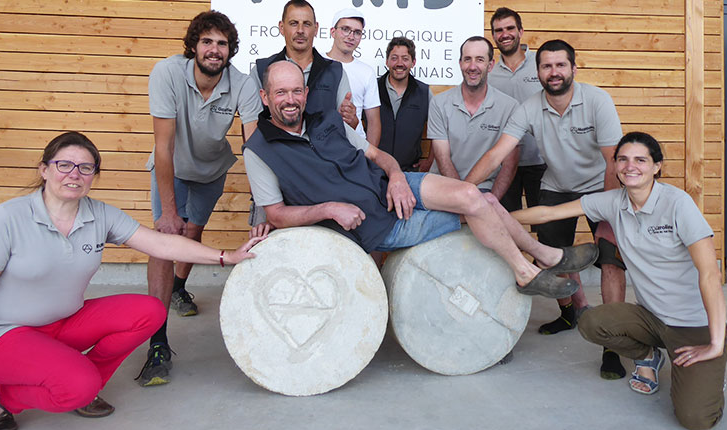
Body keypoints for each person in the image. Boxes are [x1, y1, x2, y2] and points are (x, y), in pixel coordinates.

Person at [0, 132, 263, 430]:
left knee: (149, 311)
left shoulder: (99, 214)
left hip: (64, 322)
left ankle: (82, 381)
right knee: (76, 386)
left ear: (94, 175)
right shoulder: (7, 219)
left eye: (85, 167)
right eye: (64, 165)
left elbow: (161, 244)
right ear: (44, 169)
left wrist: (226, 256)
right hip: (5, 334)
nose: (74, 174)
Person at [243, 61, 602, 302]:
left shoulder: (326, 119)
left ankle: (543, 258)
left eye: (296, 91)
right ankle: (533, 265)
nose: (290, 100)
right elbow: (274, 214)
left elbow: (374, 154)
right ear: (265, 96)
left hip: (391, 187)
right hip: (378, 224)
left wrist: (397, 175)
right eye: (280, 93)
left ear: (305, 92)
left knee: (471, 193)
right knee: (484, 203)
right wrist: (328, 208)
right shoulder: (259, 150)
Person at [511, 132, 727, 430]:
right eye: (623, 159)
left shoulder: (678, 204)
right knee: (591, 323)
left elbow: (709, 275)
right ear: (614, 166)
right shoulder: (613, 202)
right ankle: (648, 357)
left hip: (695, 325)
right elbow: (548, 213)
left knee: (696, 419)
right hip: (652, 318)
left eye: (641, 160)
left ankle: (713, 369)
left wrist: (715, 343)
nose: (630, 166)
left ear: (656, 167)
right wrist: (489, 216)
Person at [465, 39, 627, 378]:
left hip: (602, 185)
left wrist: (608, 211)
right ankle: (572, 312)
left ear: (573, 68)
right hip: (556, 185)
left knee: (610, 258)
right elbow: (497, 154)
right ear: (537, 72)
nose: (553, 72)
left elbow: (614, 160)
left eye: (560, 65)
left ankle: (611, 342)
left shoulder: (598, 100)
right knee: (554, 253)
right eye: (546, 66)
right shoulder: (528, 108)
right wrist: (463, 192)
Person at [143, 10, 262, 386]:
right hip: (173, 167)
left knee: (192, 233)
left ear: (230, 50)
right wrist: (167, 214)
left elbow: (254, 146)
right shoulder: (166, 74)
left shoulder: (242, 83)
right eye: (207, 41)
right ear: (193, 45)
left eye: (222, 44)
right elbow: (163, 148)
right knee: (165, 243)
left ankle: (179, 289)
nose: (214, 50)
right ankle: (157, 342)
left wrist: (263, 204)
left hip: (211, 171)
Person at [428, 36, 520, 199]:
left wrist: (493, 201)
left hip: (484, 190)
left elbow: (509, 163)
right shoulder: (439, 103)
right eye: (467, 59)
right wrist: (461, 197)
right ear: (460, 63)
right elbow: (442, 158)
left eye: (479, 60)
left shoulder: (510, 107)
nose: (472, 66)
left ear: (490, 65)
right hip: (441, 185)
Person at [249, 0, 353, 122]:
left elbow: (346, 126)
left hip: (322, 142)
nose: (300, 30)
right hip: (275, 141)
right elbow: (251, 123)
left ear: (316, 29)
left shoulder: (335, 72)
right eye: (293, 23)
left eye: (307, 24)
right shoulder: (262, 69)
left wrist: (351, 120)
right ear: (281, 27)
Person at [486, 7, 547, 212]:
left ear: (520, 32)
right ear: (493, 35)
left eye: (510, 28)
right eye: (498, 30)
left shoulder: (543, 64)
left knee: (546, 229)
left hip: (541, 161)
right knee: (506, 225)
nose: (504, 34)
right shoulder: (488, 71)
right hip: (503, 164)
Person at [326, 7, 382, 145]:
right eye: (345, 29)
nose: (351, 36)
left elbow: (374, 122)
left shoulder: (366, 72)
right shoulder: (316, 62)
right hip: (320, 144)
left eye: (357, 32)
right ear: (333, 32)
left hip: (354, 146)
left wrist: (370, 160)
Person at [377, 37, 434, 172]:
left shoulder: (424, 93)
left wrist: (430, 161)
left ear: (413, 62)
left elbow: (439, 130)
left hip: (409, 171)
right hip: (374, 170)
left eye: (405, 58)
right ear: (387, 61)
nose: (399, 63)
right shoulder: (373, 89)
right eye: (394, 58)